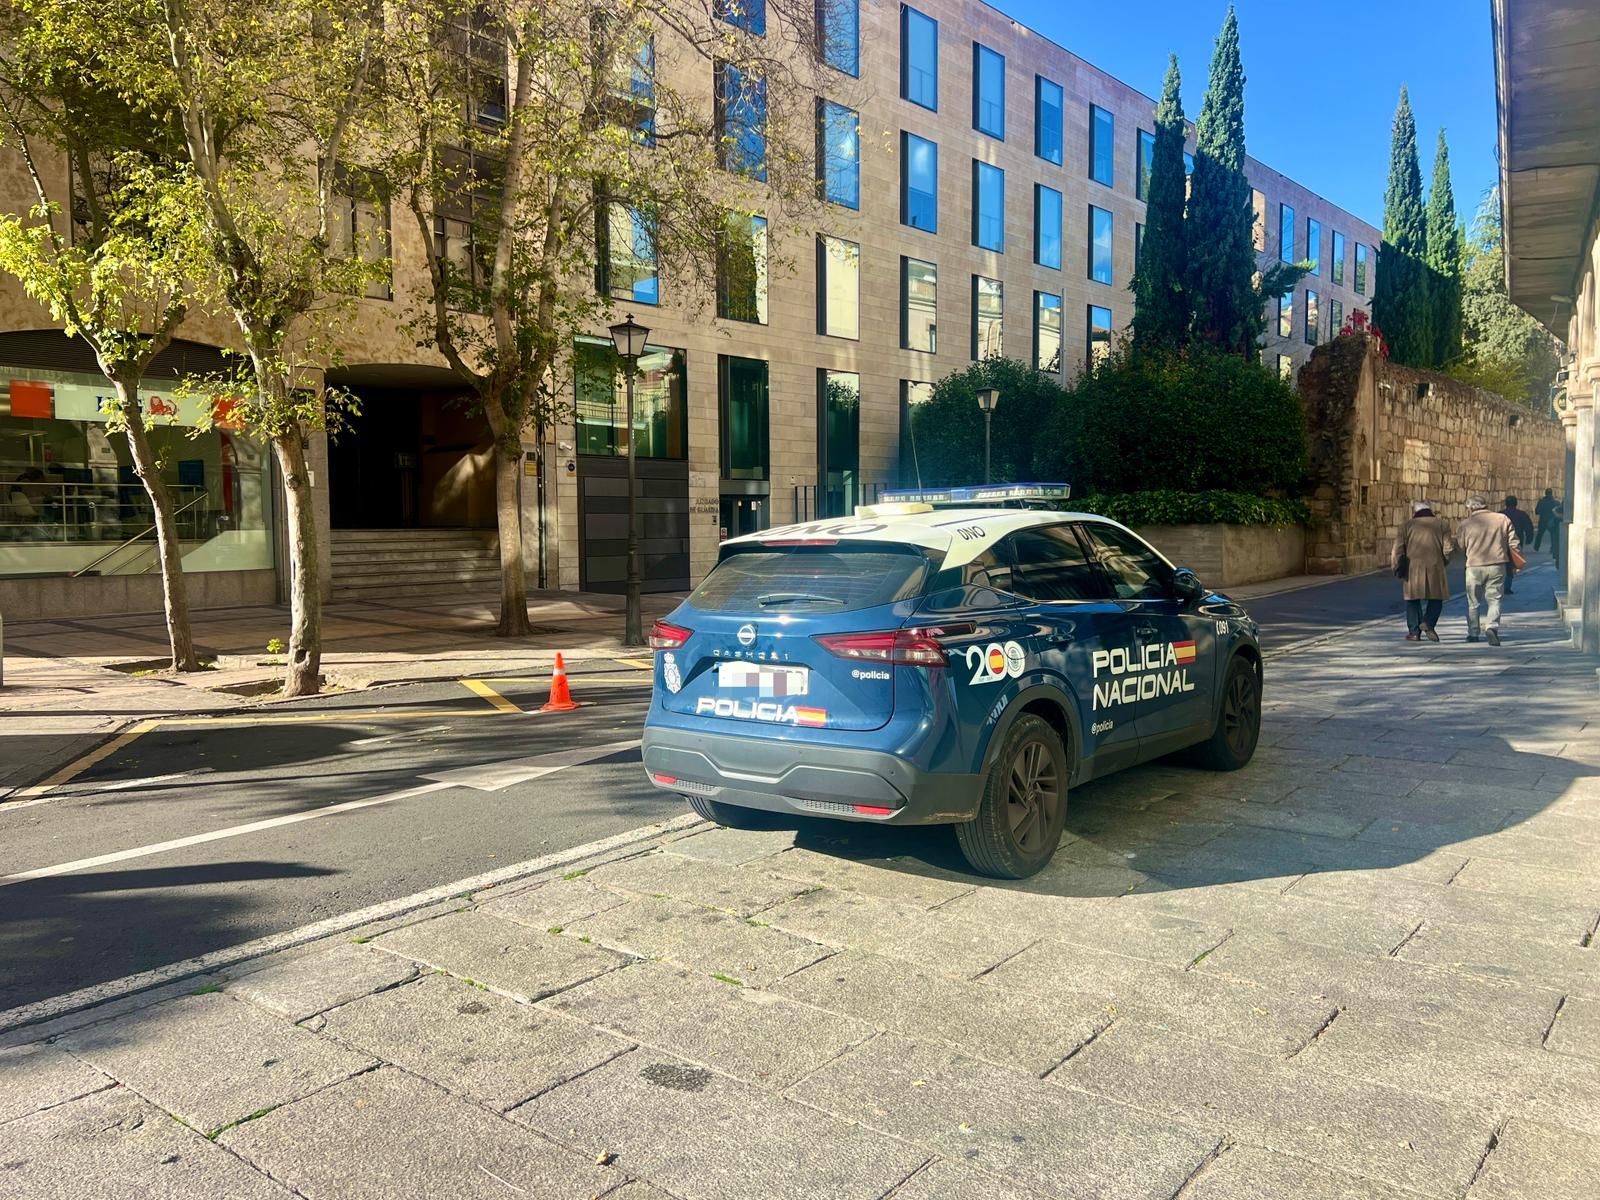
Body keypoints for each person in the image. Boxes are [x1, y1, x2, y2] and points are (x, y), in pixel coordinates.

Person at [1457, 494, 1520, 645]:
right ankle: (1491, 627)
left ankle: (1473, 632)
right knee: (1495, 599)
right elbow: (1514, 542)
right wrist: (1515, 563)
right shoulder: (1502, 519)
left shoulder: (1465, 524)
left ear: (1471, 508)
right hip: (1497, 564)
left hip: (1474, 566)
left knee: (1473, 602)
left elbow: (1460, 547)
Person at [1391, 500, 1453, 642]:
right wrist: (1444, 562)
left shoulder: (1406, 526)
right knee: (1437, 597)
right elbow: (1448, 548)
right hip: (1436, 566)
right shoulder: (1442, 524)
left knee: (1412, 599)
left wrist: (1396, 566)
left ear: (1415, 511)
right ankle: (1428, 622)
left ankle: (1414, 632)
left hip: (1413, 566)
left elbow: (1398, 548)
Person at [1502, 496, 1534, 594]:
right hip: (1516, 541)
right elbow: (1529, 527)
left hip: (1500, 542)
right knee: (1510, 565)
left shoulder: (1500, 515)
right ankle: (1507, 586)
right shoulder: (1521, 514)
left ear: (1505, 503)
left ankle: (1499, 585)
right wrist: (1529, 538)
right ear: (1516, 504)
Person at [1534, 488, 1559, 560]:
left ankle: (1536, 547)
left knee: (1539, 534)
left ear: (1545, 493)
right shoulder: (1556, 502)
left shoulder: (1541, 501)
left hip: (1543, 521)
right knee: (1553, 536)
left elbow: (1537, 511)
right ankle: (1553, 549)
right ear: (1551, 493)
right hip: (1551, 521)